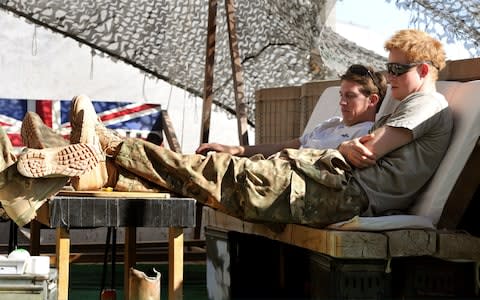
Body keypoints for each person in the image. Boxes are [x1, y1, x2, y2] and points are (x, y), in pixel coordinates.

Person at [0, 29, 452, 229]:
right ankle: (89, 165)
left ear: (425, 69)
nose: (390, 74)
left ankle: (109, 147)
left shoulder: (428, 103)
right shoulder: (403, 104)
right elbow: (355, 148)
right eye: (389, 66)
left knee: (216, 174)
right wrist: (243, 148)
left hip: (343, 191)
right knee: (210, 173)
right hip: (325, 175)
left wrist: (359, 145)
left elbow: (368, 150)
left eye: (398, 67)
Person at [197, 64, 387, 158]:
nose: (342, 102)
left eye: (350, 96)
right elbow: (283, 146)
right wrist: (236, 150)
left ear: (372, 100)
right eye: (341, 95)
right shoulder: (330, 124)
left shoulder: (367, 135)